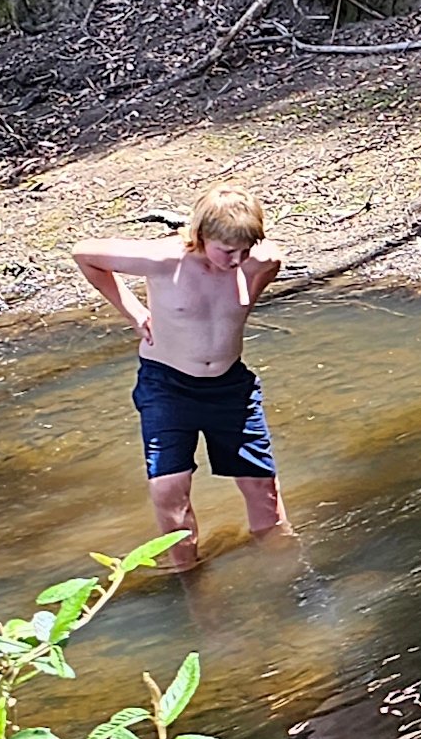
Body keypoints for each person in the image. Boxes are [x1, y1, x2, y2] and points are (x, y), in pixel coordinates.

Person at [73, 189, 287, 569]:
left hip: (229, 387)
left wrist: (245, 301)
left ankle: (286, 569)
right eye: (226, 250)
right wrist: (135, 313)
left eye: (244, 250)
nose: (236, 260)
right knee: (169, 490)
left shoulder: (258, 261)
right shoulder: (163, 260)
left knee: (262, 488)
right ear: (201, 234)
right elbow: (84, 254)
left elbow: (271, 262)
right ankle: (191, 582)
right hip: (168, 386)